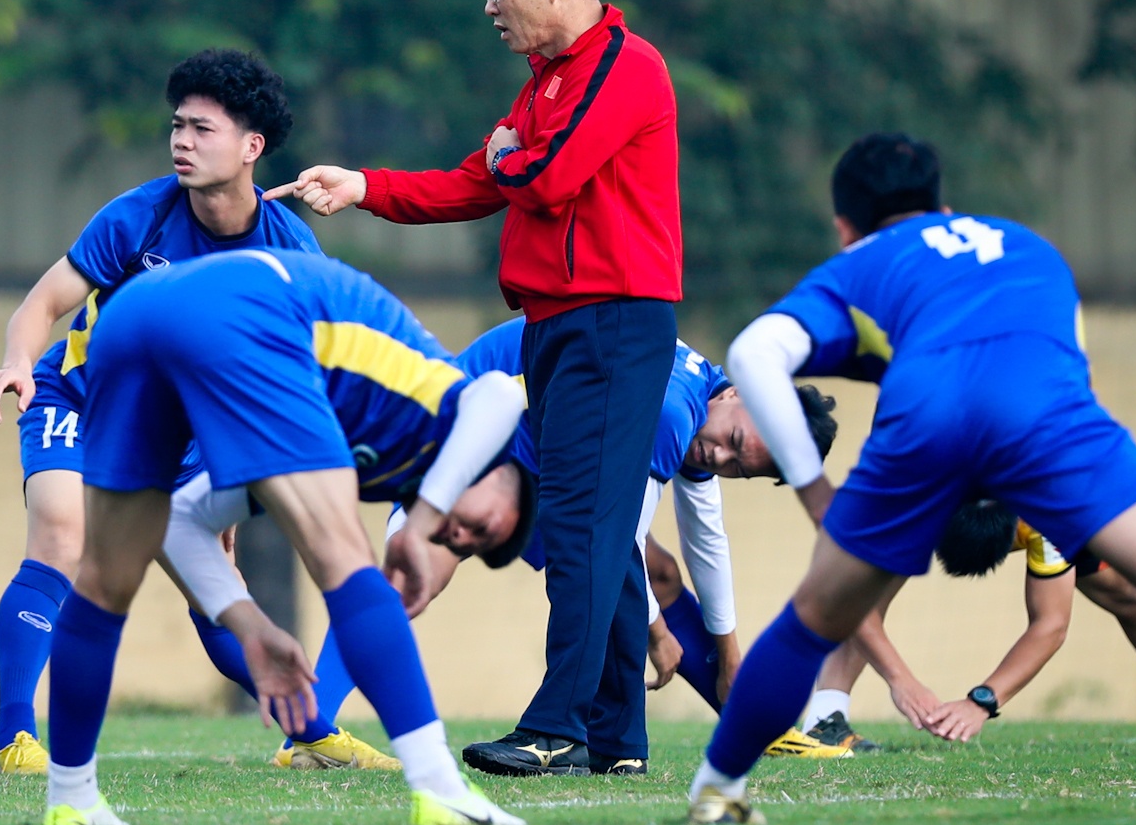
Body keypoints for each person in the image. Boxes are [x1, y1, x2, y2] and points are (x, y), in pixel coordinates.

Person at [266, 0, 684, 780]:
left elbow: (549, 176)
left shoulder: (623, 65)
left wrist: (509, 155)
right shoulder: (546, 83)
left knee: (580, 528)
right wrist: (364, 186)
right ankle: (615, 740)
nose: (488, 7)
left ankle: (555, 723)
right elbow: (479, 179)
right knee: (591, 527)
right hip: (555, 325)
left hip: (614, 320)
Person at [687, 133, 1136, 825]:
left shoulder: (856, 266)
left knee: (815, 616)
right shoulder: (1027, 246)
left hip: (926, 414)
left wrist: (815, 492)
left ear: (845, 225)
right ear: (944, 204)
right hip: (1044, 409)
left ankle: (719, 787)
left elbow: (753, 352)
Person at [0, 50, 396, 776]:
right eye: (177, 125)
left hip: (186, 430)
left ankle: (311, 732)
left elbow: (311, 361)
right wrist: (15, 361)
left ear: (251, 147)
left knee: (216, 584)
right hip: (77, 396)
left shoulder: (289, 247)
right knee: (63, 535)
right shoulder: (139, 215)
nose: (182, 141)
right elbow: (44, 301)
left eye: (202, 128)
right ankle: (16, 739)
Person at [45, 248, 529, 825]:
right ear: (501, 468)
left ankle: (70, 800)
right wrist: (419, 527)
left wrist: (250, 625)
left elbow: (178, 521)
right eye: (480, 526)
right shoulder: (448, 402)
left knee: (104, 581)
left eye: (465, 544)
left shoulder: (352, 448)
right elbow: (501, 394)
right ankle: (441, 789)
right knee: (345, 557)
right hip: (248, 308)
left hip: (130, 316)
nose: (457, 535)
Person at [266, 317, 843, 772]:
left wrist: (730, 654)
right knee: (416, 579)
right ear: (738, 394)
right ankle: (310, 731)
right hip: (481, 436)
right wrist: (658, 635)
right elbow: (618, 544)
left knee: (658, 574)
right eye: (733, 442)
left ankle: (754, 728)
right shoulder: (672, 414)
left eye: (738, 467)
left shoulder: (702, 404)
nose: (719, 458)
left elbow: (706, 540)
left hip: (545, 453)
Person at [801, 499, 1136, 749]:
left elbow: (1050, 624)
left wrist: (982, 701)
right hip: (923, 494)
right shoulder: (910, 495)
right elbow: (851, 599)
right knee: (868, 586)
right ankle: (825, 720)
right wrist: (900, 680)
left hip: (1065, 500)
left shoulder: (1050, 510)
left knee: (1127, 597)